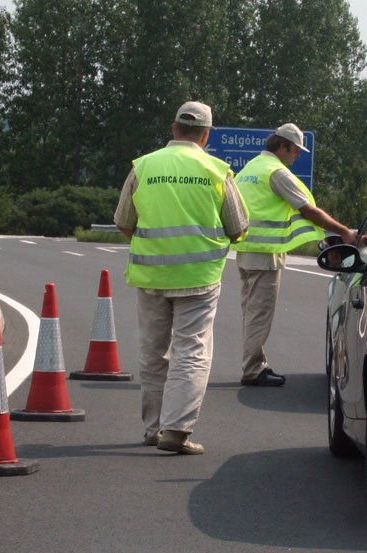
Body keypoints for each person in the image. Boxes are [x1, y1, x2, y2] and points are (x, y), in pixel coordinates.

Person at [114, 101, 248, 454]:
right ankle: (177, 430)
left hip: (150, 274)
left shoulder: (143, 166)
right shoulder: (216, 171)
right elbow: (238, 228)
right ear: (206, 135)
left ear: (173, 129)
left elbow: (123, 221)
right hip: (199, 277)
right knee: (192, 350)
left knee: (153, 351)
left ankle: (152, 428)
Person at [233, 123, 356, 386]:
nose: (297, 156)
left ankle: (255, 364)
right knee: (259, 313)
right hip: (266, 254)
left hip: (245, 250)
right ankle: (253, 370)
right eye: (295, 150)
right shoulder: (276, 173)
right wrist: (344, 231)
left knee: (250, 312)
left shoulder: (249, 169)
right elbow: (308, 210)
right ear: (282, 146)